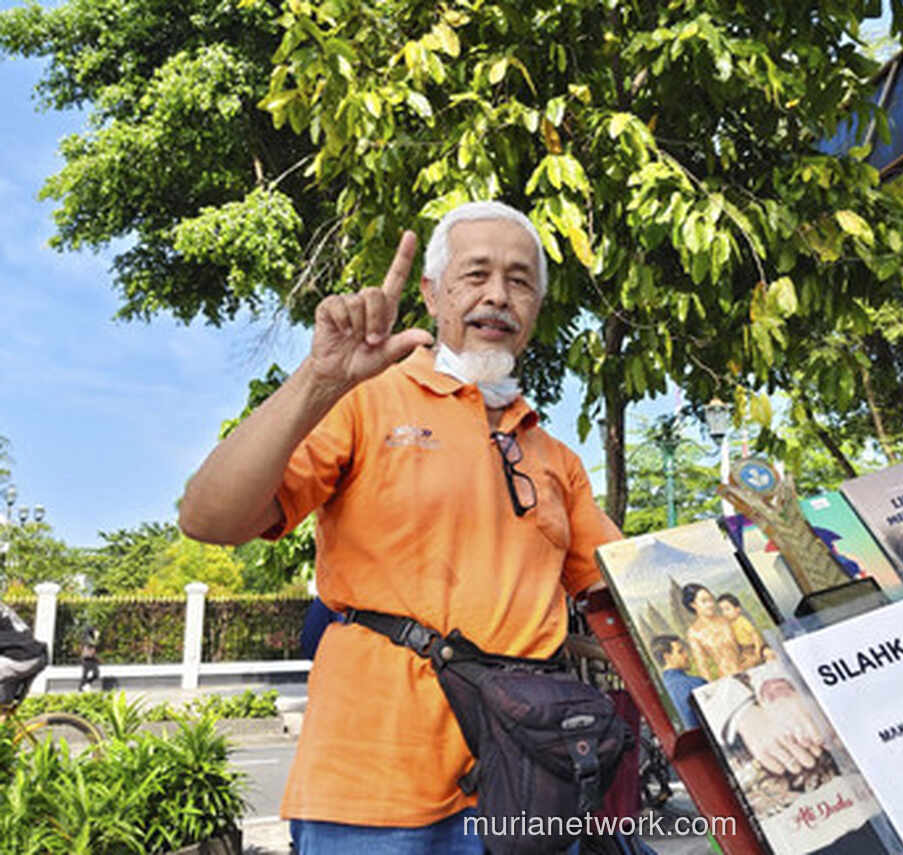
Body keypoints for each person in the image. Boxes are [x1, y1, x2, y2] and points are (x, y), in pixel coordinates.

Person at [178, 201, 622, 854]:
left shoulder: (556, 458)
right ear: (432, 292)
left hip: (527, 791)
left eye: (520, 280)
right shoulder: (363, 399)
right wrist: (318, 380)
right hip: (370, 793)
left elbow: (632, 594)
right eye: (475, 274)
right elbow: (207, 518)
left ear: (535, 311)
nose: (498, 294)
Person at [680, 583, 744, 680]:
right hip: (727, 679)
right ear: (693, 605)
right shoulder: (694, 633)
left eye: (710, 600)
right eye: (704, 601)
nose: (710, 604)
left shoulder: (726, 620)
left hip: (747, 669)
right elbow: (703, 667)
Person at [649, 634, 707, 730]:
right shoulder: (695, 684)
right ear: (667, 657)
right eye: (680, 651)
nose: (686, 655)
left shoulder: (658, 693)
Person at [715, 593, 765, 667]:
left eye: (727, 609)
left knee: (750, 663)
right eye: (722, 611)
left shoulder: (742, 621)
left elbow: (755, 635)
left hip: (753, 646)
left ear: (738, 609)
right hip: (744, 649)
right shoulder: (729, 624)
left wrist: (758, 651)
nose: (725, 613)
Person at [78, 625, 100, 692]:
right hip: (87, 659)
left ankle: (83, 686)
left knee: (94, 674)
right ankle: (82, 687)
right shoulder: (87, 639)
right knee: (87, 675)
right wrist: (96, 637)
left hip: (91, 659)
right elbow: (90, 646)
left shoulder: (88, 638)